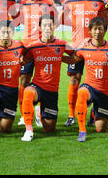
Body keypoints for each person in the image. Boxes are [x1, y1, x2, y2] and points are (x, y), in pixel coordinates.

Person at [62, 17, 108, 142]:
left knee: (101, 129)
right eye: (94, 29)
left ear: (105, 30)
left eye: (100, 29)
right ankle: (82, 130)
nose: (97, 32)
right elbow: (72, 60)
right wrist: (56, 56)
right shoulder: (84, 48)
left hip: (104, 93)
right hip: (89, 87)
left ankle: (93, 114)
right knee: (81, 93)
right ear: (90, 31)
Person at [60, 0, 106, 127]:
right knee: (74, 79)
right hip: (76, 47)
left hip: (95, 48)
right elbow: (60, 19)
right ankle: (72, 115)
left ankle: (95, 112)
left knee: (96, 81)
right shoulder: (70, 0)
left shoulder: (99, 0)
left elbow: (104, 22)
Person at [13, 0, 59, 126]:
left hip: (43, 48)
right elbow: (16, 23)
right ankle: (23, 114)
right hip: (27, 47)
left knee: (43, 81)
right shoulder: (23, 4)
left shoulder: (50, 4)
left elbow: (56, 22)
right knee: (24, 80)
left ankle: (40, 111)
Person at [20, 14, 75, 142]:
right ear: (39, 28)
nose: (47, 28)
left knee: (49, 129)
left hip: (52, 91)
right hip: (38, 86)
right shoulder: (33, 46)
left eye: (50, 25)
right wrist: (21, 60)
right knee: (27, 92)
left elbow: (75, 57)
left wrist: (61, 58)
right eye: (44, 25)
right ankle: (28, 130)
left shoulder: (62, 44)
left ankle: (39, 111)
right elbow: (24, 60)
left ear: (54, 27)